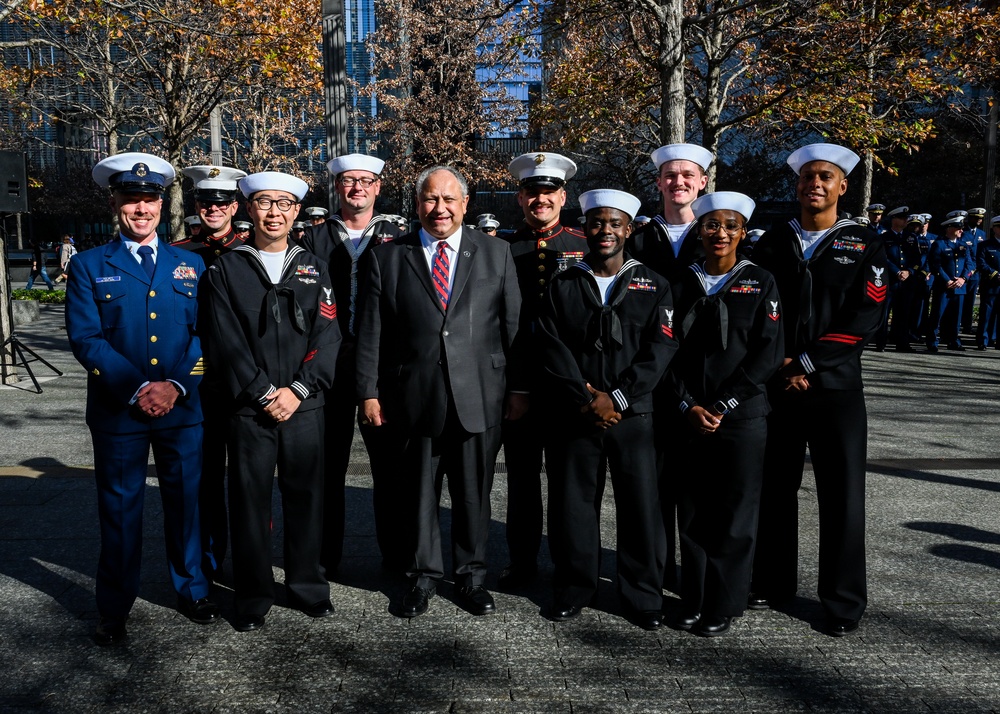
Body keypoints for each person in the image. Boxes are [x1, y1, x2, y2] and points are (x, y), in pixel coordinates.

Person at [355, 165, 522, 619]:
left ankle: (471, 576)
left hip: (480, 395)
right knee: (418, 493)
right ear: (417, 203)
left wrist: (518, 389)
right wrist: (368, 392)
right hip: (413, 396)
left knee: (473, 493)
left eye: (450, 199)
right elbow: (371, 332)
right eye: (430, 199)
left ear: (466, 205)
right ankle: (421, 576)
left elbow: (513, 329)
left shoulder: (496, 253)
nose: (440, 208)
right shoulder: (387, 257)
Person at [66, 152, 217, 646]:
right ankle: (114, 606)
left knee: (187, 506)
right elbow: (86, 339)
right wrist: (137, 388)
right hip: (119, 413)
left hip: (183, 408)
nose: (141, 209)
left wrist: (175, 385)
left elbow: (204, 337)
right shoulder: (90, 265)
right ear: (115, 203)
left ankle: (193, 589)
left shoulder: (190, 264)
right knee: (121, 510)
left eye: (149, 200)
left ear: (161, 204)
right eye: (131, 200)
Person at [749, 143, 888, 637]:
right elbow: (758, 310)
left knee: (843, 496)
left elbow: (866, 317)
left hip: (836, 390)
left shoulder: (865, 243)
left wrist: (807, 361)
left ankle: (843, 601)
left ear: (842, 186)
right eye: (807, 176)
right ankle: (771, 581)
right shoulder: (771, 243)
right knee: (774, 489)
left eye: (825, 177)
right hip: (779, 387)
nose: (815, 184)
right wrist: (781, 362)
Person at [200, 171, 341, 632]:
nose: (274, 212)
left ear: (297, 212)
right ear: (248, 209)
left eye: (284, 204)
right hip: (248, 408)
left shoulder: (314, 266)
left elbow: (329, 333)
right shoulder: (226, 268)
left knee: (307, 498)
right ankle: (253, 595)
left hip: (304, 407)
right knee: (249, 503)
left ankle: (307, 587)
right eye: (264, 203)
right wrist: (263, 392)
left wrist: (299, 389)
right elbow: (224, 341)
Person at [537, 188, 677, 630]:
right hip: (575, 413)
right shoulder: (562, 283)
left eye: (614, 223)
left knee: (641, 506)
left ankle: (642, 595)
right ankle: (575, 586)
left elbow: (661, 348)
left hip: (633, 416)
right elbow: (549, 343)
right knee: (572, 504)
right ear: (585, 226)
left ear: (628, 229)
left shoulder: (655, 284)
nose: (605, 231)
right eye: (597, 222)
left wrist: (617, 397)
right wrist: (585, 396)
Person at [667, 192, 784, 637]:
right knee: (693, 511)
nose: (720, 234)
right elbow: (665, 351)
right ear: (699, 230)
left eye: (730, 226)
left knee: (735, 513)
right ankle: (693, 599)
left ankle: (725, 601)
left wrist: (722, 404)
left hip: (741, 417)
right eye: (712, 225)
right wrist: (687, 404)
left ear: (742, 232)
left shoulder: (761, 281)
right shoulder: (679, 282)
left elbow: (767, 354)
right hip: (690, 415)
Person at [297, 153, 403, 576]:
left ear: (378, 186)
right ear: (336, 188)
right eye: (347, 181)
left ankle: (397, 558)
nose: (356, 188)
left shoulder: (401, 238)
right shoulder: (312, 239)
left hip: (382, 366)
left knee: (391, 468)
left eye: (365, 181)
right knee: (326, 468)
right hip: (328, 366)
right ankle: (326, 559)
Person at [499, 151, 588, 590]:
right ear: (520, 197)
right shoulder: (501, 249)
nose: (541, 200)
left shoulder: (583, 245)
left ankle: (570, 567)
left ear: (563, 196)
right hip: (519, 386)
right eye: (532, 192)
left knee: (569, 484)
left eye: (548, 192)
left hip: (567, 386)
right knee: (521, 480)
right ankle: (522, 563)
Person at [628, 142, 714, 590]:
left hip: (703, 382)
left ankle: (696, 586)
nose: (678, 182)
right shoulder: (638, 240)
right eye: (670, 175)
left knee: (699, 493)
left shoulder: (719, 232)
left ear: (703, 181)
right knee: (653, 490)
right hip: (652, 381)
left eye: (688, 175)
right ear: (658, 182)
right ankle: (652, 578)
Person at [173, 164, 249, 582]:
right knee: (203, 481)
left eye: (221, 203)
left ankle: (249, 560)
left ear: (234, 206)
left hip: (242, 382)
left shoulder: (250, 248)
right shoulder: (180, 252)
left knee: (247, 480)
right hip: (198, 383)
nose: (212, 209)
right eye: (205, 202)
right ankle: (210, 557)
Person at [925, 215, 975, 352]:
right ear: (949, 228)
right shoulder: (939, 244)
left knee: (956, 316)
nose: (961, 231)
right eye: (958, 228)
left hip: (959, 287)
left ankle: (953, 340)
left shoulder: (963, 245)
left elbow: (969, 264)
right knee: (937, 314)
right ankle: (932, 341)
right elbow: (936, 265)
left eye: (962, 228)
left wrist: (963, 279)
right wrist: (947, 280)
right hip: (943, 286)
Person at [961, 207, 987, 333]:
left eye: (980, 219)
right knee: (961, 299)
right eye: (976, 218)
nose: (979, 221)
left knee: (970, 300)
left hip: (976, 273)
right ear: (970, 218)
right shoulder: (962, 232)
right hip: (964, 272)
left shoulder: (982, 234)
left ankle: (967, 326)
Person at [975, 215, 1000, 349]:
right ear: (994, 228)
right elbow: (980, 262)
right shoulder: (985, 245)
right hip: (990, 284)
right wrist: (994, 273)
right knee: (986, 313)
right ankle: (983, 340)